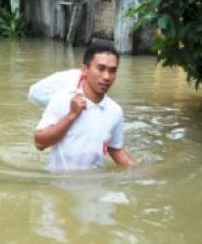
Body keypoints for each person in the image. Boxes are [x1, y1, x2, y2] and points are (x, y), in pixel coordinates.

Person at [34, 42, 136, 171]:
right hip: (59, 184)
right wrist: (71, 115)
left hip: (95, 186)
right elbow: (39, 143)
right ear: (84, 70)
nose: (106, 77)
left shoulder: (115, 111)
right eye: (101, 68)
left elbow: (115, 149)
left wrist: (140, 170)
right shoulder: (63, 99)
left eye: (112, 71)